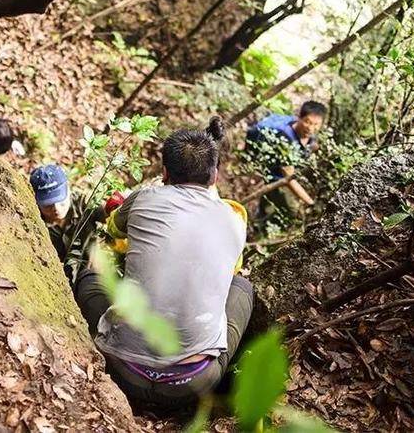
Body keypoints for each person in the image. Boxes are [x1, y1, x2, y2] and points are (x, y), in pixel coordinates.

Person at [73, 119, 252, 408]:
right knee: (241, 287)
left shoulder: (144, 198)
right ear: (215, 176)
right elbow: (231, 269)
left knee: (90, 277)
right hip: (191, 385)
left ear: (165, 172)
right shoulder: (234, 220)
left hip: (122, 369)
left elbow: (115, 229)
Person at [246, 101, 327, 224]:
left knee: (268, 204)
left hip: (284, 172)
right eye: (307, 122)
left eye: (316, 124)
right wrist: (311, 203)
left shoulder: (309, 135)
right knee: (292, 211)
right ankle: (262, 227)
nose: (310, 128)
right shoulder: (284, 138)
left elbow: (312, 146)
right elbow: (288, 177)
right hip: (275, 178)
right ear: (299, 118)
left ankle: (260, 218)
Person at [29, 164, 104, 281]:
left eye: (60, 200)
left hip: (93, 275)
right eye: (48, 205)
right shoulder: (33, 224)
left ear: (68, 190)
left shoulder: (83, 204)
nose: (56, 209)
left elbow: (108, 212)